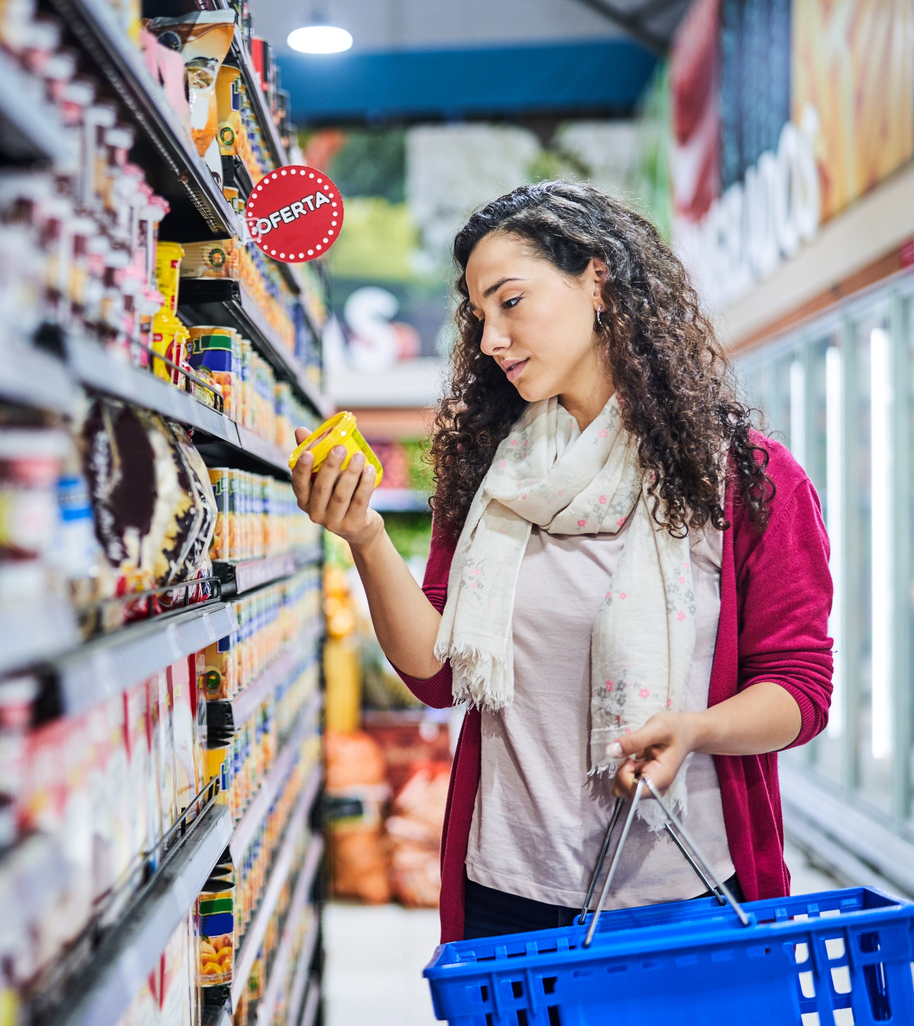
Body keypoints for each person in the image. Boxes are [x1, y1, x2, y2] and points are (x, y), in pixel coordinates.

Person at [292, 182, 833, 941]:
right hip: (506, 894)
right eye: (479, 316)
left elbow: (800, 690)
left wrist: (696, 730)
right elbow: (438, 672)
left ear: (596, 277)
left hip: (686, 897)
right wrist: (365, 536)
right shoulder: (493, 482)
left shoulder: (750, 481)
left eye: (510, 301)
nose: (490, 339)